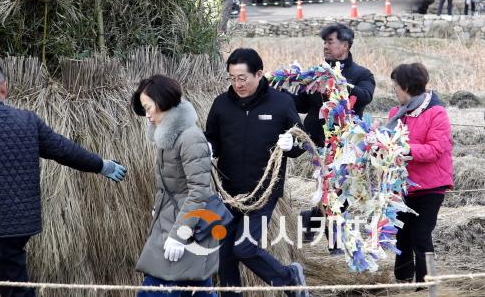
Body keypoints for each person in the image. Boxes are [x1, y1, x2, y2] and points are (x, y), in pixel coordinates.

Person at [0, 62, 127, 297]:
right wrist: (103, 165)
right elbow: (64, 150)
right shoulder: (27, 121)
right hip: (16, 226)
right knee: (13, 284)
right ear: (4, 88)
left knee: (14, 288)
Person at [205, 48, 308, 297]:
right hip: (228, 193)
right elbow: (213, 140)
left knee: (245, 247)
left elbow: (301, 143)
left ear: (259, 74)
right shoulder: (221, 104)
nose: (237, 84)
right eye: (232, 78)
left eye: (243, 78)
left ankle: (288, 278)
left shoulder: (281, 103)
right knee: (226, 253)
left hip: (264, 192)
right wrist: (206, 147)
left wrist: (291, 145)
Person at [133, 75, 218, 297]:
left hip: (184, 225)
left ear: (161, 102)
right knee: (197, 284)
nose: (147, 114)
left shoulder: (190, 138)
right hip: (169, 219)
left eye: (148, 107)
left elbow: (199, 191)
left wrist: (180, 234)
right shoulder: (168, 136)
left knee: (156, 287)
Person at [295, 23, 375, 247]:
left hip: (346, 146)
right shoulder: (315, 74)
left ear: (346, 45)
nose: (326, 47)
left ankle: (313, 220)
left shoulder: (361, 74)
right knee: (331, 191)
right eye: (325, 43)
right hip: (317, 144)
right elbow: (300, 104)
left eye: (330, 42)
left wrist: (338, 82)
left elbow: (365, 96)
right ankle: (333, 242)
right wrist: (280, 92)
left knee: (340, 192)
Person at [386, 63, 453, 283]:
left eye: (396, 85)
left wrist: (406, 150)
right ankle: (403, 280)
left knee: (421, 235)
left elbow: (435, 149)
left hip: (431, 186)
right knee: (402, 234)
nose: (394, 89)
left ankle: (426, 284)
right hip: (403, 185)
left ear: (406, 86)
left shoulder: (436, 112)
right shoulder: (396, 113)